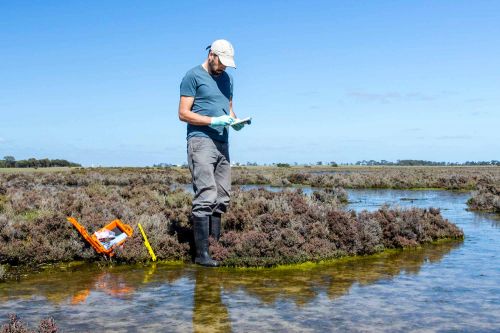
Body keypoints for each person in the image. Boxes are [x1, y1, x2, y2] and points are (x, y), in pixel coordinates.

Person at [178, 39, 247, 267]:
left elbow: (228, 109)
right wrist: (212, 120)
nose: (224, 67)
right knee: (206, 193)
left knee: (222, 195)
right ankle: (201, 255)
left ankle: (214, 247)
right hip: (200, 141)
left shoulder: (227, 79)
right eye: (222, 62)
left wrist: (235, 121)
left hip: (222, 142)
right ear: (211, 55)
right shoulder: (193, 76)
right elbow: (183, 114)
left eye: (228, 64)